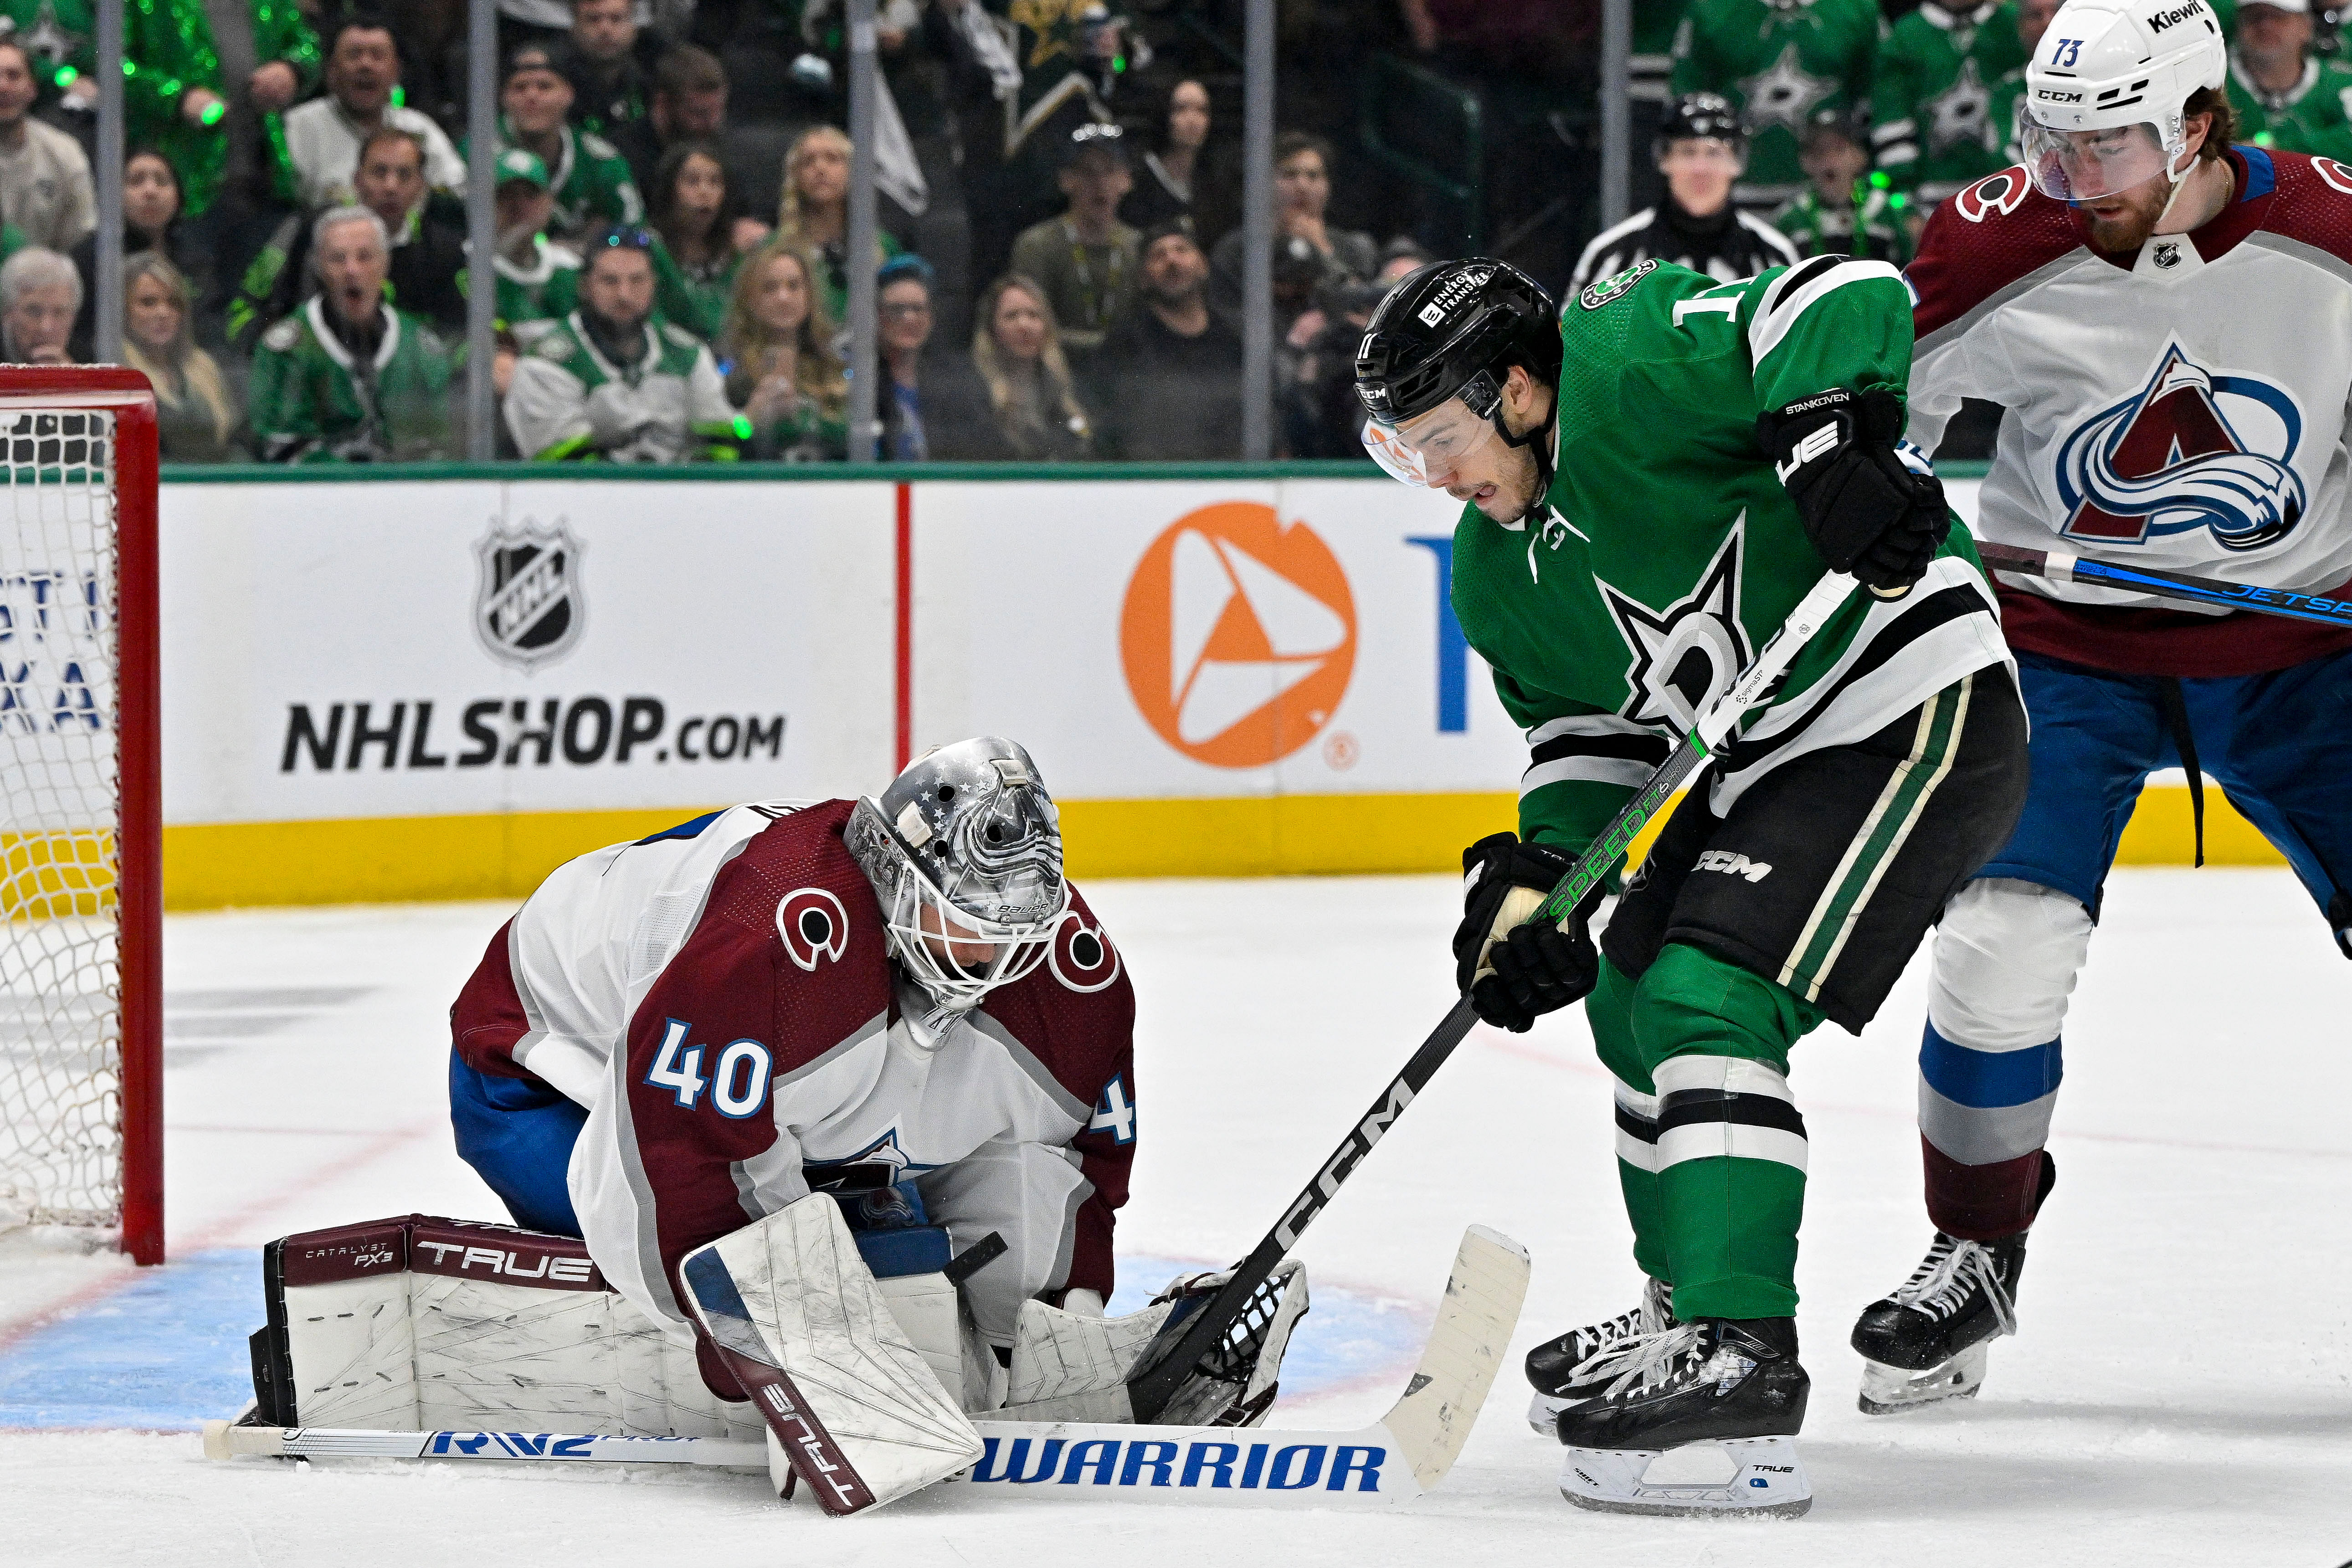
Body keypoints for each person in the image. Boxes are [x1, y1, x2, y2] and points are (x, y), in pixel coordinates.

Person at [1353, 253, 2023, 1515]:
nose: (1436, 477)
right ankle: (1681, 1311)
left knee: (1708, 997)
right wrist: (1536, 882)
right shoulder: (1494, 573)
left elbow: (1844, 289)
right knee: (1625, 993)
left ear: (1518, 390)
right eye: (1406, 454)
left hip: (1908, 698)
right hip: (1765, 759)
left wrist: (1827, 437)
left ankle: (1743, 1356)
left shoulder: (1627, 354)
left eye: (1442, 440)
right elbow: (1588, 742)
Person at [1858, 0, 2352, 1417]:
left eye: (2115, 147)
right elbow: (1871, 415)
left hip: (2303, 656)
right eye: (2056, 146)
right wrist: (1859, 478)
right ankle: (1972, 1246)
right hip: (2066, 652)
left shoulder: (2330, 239)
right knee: (2001, 940)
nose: (2081, 181)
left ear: (2202, 121)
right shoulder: (1990, 241)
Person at [442, 741, 1300, 1453]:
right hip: (543, 1074)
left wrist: (1053, 1324)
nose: (995, 952)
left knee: (889, 1211)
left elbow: (1067, 1163)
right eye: (966, 919)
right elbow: (676, 1156)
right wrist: (779, 1357)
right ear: (895, 875)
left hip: (751, 1081)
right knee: (739, 1226)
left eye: (1013, 927)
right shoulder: (767, 947)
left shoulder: (1065, 968)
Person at [504, 225, 739, 463]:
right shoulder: (546, 363)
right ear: (585, 287)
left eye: (637, 281)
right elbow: (569, 471)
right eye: (610, 281)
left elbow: (720, 446)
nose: (624, 295)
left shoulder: (688, 354)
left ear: (653, 286)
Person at [246, 206, 456, 462]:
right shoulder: (286, 351)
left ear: (385, 264)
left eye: (365, 257)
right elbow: (281, 448)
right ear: (319, 267)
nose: (352, 270)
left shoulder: (421, 349)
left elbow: (436, 448)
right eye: (337, 259)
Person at [1570, 93, 1803, 293]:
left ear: (1738, 162)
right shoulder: (1611, 255)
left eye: (1714, 153)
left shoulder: (1776, 259)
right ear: (1664, 160)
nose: (1700, 169)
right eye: (1688, 152)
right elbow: (1575, 341)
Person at [1670, 0, 1880, 209]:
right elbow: (1687, 112)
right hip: (1734, 199)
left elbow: (1877, 105)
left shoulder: (1859, 10)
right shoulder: (1709, 10)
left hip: (1832, 207)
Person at [279, 16, 466, 210]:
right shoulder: (300, 125)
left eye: (377, 56)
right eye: (354, 55)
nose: (366, 65)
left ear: (396, 72)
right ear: (332, 70)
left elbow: (458, 192)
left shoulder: (419, 128)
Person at [1095, 221, 1242, 461]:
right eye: (1158, 256)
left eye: (1182, 250)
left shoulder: (1235, 337)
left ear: (1203, 266)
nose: (1172, 261)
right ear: (1143, 278)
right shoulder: (1124, 345)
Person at [1871, 0, 2032, 210]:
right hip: (1933, 198)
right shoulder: (1905, 37)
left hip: (2016, 190)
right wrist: (1904, 199)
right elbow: (1892, 116)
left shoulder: (2017, 21)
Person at [1209, 131, 1376, 329]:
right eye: (1289, 175)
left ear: (1327, 187)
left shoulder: (1353, 247)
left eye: (1313, 176)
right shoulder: (1237, 250)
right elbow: (1234, 323)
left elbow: (1365, 312)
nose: (1302, 186)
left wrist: (1322, 250)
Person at [1007, 122, 1140, 367]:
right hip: (1055, 375)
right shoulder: (1037, 246)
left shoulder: (1139, 247)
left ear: (1126, 181)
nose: (1099, 183)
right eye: (1087, 171)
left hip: (1128, 378)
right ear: (1066, 180)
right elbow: (1031, 328)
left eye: (1109, 171)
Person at [490, 41, 646, 243]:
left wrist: (599, 243)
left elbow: (636, 233)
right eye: (520, 88)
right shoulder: (476, 155)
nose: (532, 96)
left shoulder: (600, 160)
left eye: (544, 87)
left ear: (568, 94)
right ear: (504, 98)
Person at [933, 273, 1093, 461]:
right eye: (1011, 316)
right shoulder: (971, 392)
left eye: (1034, 316)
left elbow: (1083, 438)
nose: (1024, 326)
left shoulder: (1063, 391)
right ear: (992, 330)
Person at [69, 148, 210, 361]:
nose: (150, 191)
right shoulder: (92, 258)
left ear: (178, 196)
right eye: (136, 182)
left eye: (162, 181)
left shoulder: (195, 255)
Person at [716, 238, 846, 461]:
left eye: (794, 286)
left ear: (809, 295)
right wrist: (750, 418)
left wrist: (811, 417)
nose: (783, 298)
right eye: (769, 288)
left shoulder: (833, 365)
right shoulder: (728, 370)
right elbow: (720, 440)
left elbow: (855, 438)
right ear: (751, 300)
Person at [777, 123, 902, 330]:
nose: (820, 169)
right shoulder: (776, 250)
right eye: (808, 162)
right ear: (795, 178)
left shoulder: (885, 247)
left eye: (833, 159)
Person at [121, 252, 240, 463]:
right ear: (123, 311)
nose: (163, 313)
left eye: (173, 303)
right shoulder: (116, 370)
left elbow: (232, 441)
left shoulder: (204, 367)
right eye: (148, 303)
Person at [1775, 108, 1915, 265]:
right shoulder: (1793, 216)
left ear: (1860, 157)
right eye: (1819, 152)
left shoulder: (1885, 209)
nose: (1829, 160)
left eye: (1839, 150)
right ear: (1805, 162)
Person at [2226, 0, 2352, 161]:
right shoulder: (2215, 85)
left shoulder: (2341, 84)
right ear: (2239, 26)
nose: (2265, 26)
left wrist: (2274, 149)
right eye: (2254, 17)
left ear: (2306, 27)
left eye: (2278, 18)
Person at [0, 39, 94, 254]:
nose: (3, 86)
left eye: (13, 76)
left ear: (32, 89)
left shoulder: (65, 154)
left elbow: (82, 242)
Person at [647, 140, 743, 340]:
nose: (705, 192)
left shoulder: (738, 254)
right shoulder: (650, 251)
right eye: (692, 182)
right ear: (670, 190)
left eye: (715, 182)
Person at [489, 147, 582, 352]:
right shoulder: (468, 264)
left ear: (548, 204)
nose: (518, 206)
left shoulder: (569, 267)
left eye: (530, 196)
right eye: (507, 195)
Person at [1120, 78, 1224, 241]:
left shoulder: (1216, 180)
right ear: (1165, 115)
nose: (1192, 120)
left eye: (1202, 111)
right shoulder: (1140, 177)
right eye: (1181, 109)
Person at [556, 0, 652, 141]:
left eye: (616, 19)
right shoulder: (555, 83)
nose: (605, 29)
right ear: (574, 28)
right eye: (593, 19)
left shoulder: (652, 76)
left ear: (633, 27)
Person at [875, 252, 936, 461]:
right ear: (878, 316)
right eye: (896, 310)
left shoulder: (955, 382)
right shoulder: (861, 384)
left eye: (917, 309)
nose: (908, 318)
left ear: (930, 318)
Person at [0, 246, 77, 362]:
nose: (46, 327)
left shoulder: (90, 359)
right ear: (7, 314)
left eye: (59, 313)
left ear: (73, 318)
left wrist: (72, 378)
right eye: (33, 312)